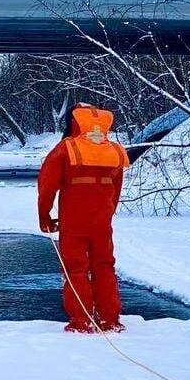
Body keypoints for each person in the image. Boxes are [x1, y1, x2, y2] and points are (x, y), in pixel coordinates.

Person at [37, 103, 130, 333]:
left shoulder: (65, 149)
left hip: (74, 222)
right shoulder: (114, 151)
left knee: (75, 269)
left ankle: (82, 321)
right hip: (102, 221)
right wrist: (107, 213)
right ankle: (110, 319)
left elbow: (47, 188)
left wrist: (45, 216)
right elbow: (115, 191)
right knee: (104, 266)